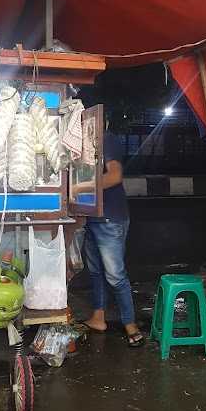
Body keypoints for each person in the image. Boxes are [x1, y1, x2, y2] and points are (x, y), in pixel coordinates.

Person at [82, 130, 144, 348]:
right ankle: (98, 318)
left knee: (115, 275)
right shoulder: (85, 145)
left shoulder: (107, 139)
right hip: (91, 218)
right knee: (96, 272)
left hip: (110, 219)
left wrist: (79, 186)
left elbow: (114, 176)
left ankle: (130, 325)